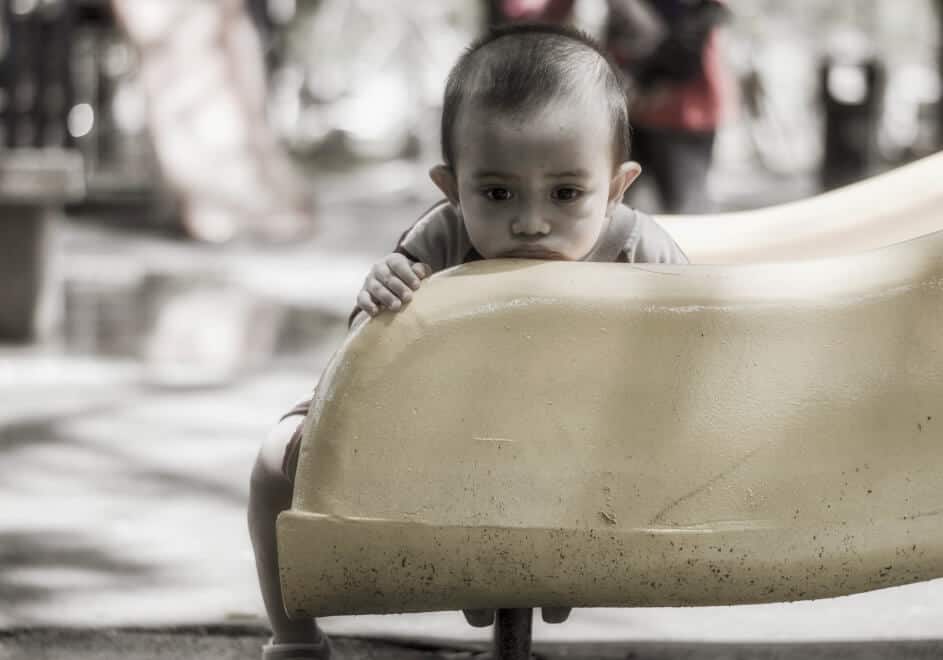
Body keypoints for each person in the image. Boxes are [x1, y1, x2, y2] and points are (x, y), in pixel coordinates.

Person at [247, 22, 688, 660]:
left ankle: (540, 570)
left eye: (567, 193)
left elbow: (701, 343)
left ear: (616, 186)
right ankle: (294, 640)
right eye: (497, 192)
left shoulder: (639, 248)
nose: (532, 221)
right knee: (272, 461)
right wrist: (382, 296)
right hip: (436, 442)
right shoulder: (440, 240)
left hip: (585, 456)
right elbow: (368, 361)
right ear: (452, 189)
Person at [605, 0, 733, 213]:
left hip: (684, 112)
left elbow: (697, 27)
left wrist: (651, 80)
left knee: (687, 210)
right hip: (630, 108)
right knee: (616, 206)